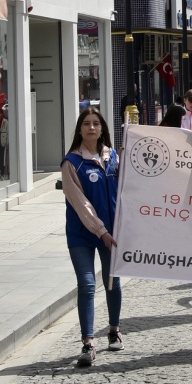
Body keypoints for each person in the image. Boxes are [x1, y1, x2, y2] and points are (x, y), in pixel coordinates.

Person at [61, 108, 121, 368]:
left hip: (113, 233)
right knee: (86, 284)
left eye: (96, 123)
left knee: (112, 282)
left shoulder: (113, 157)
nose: (92, 128)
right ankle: (87, 341)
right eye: (86, 124)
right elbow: (81, 204)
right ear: (79, 129)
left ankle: (114, 329)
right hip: (82, 234)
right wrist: (101, 232)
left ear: (102, 128)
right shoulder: (71, 163)